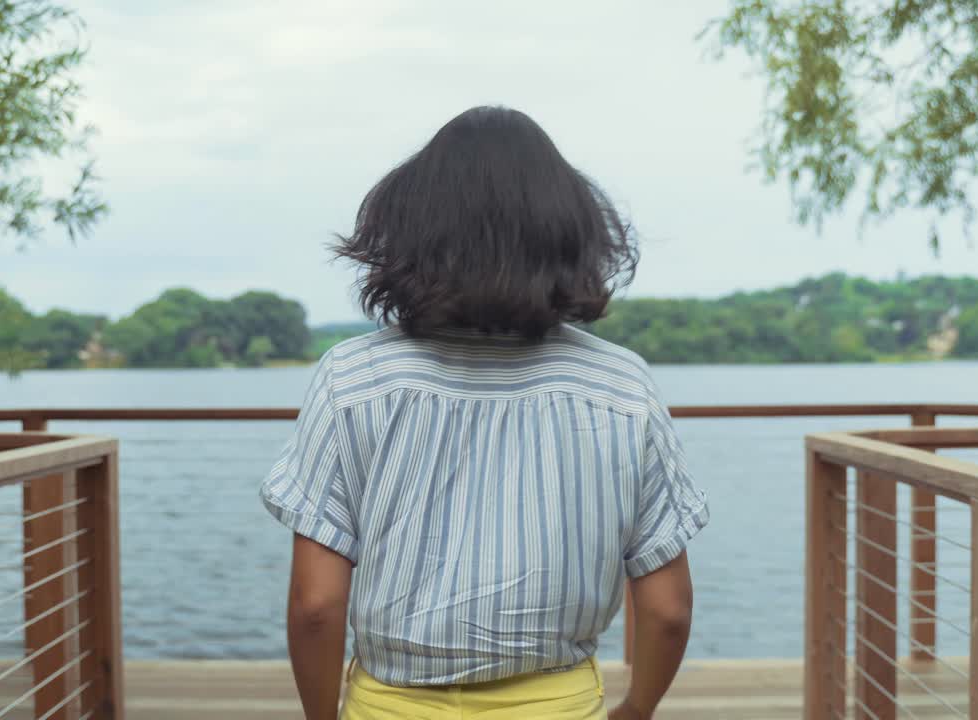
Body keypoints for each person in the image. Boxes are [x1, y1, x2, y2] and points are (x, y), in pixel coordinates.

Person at [261, 106, 709, 720]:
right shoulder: (621, 385)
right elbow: (667, 611)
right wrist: (637, 709)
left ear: (410, 229)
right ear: (570, 234)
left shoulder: (353, 379)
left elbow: (316, 607)